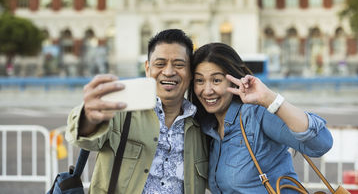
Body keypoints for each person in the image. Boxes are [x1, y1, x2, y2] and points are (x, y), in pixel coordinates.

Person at [65, 29, 208, 194]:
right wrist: (88, 117)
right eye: (160, 64)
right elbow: (85, 139)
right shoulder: (121, 111)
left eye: (179, 65)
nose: (169, 72)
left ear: (190, 72)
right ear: (147, 68)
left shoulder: (201, 128)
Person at [188, 42, 333, 194]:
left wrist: (269, 99)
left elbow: (321, 143)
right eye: (200, 81)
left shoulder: (256, 115)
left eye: (216, 80)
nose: (207, 90)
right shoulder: (207, 129)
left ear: (233, 80)